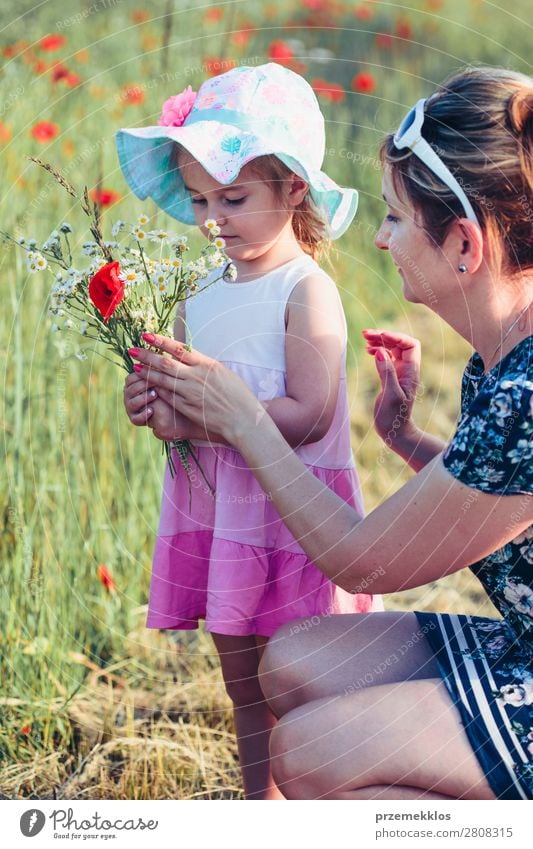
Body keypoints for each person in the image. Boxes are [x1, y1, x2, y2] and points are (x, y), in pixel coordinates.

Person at [125, 65, 533, 800]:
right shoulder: (500, 363)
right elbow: (506, 501)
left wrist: (242, 418)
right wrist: (409, 442)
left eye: (396, 216)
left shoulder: (523, 391)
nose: (379, 238)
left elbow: (363, 565)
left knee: (312, 750)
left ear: (464, 244)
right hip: (521, 645)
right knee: (290, 658)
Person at [117, 63, 382, 800]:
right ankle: (256, 805)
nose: (212, 219)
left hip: (294, 520)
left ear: (294, 188)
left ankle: (313, 802)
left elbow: (312, 410)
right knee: (245, 691)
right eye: (199, 200)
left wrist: (218, 410)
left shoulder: (306, 290)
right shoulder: (197, 294)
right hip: (222, 516)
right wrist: (159, 411)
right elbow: (187, 421)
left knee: (301, 684)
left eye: (233, 198)